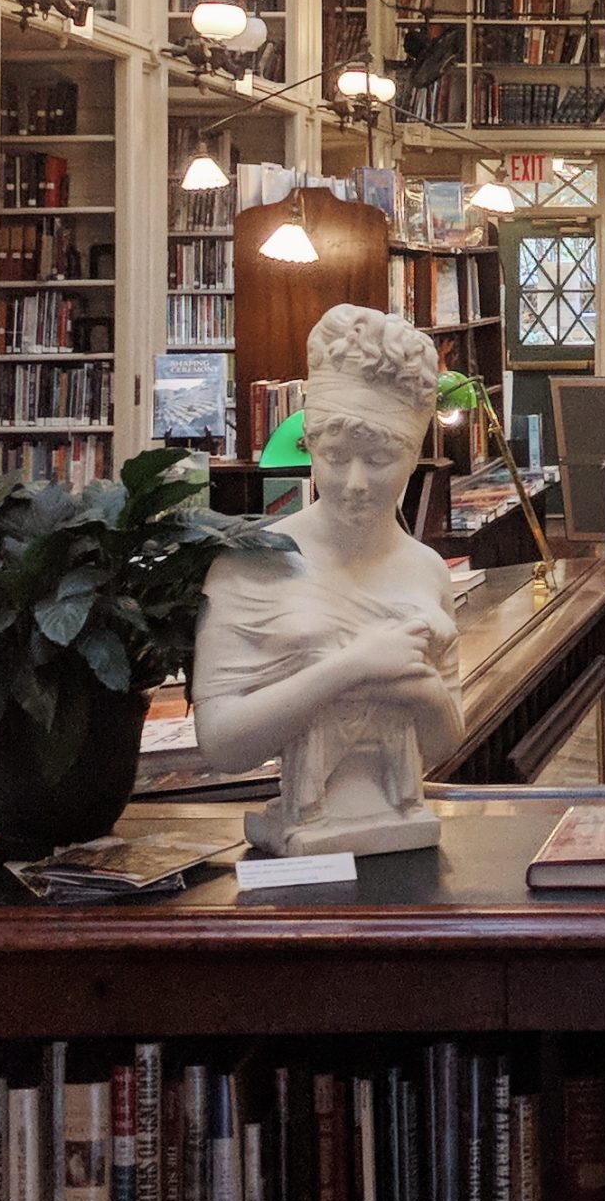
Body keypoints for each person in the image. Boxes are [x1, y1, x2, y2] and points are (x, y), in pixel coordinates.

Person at [193, 305, 463, 855]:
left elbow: (443, 742)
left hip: (400, 822)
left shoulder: (426, 570)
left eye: (380, 458)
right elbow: (221, 745)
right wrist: (354, 667)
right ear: (311, 445)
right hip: (302, 840)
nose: (355, 482)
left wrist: (424, 690)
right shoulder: (252, 564)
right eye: (335, 457)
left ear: (414, 457)